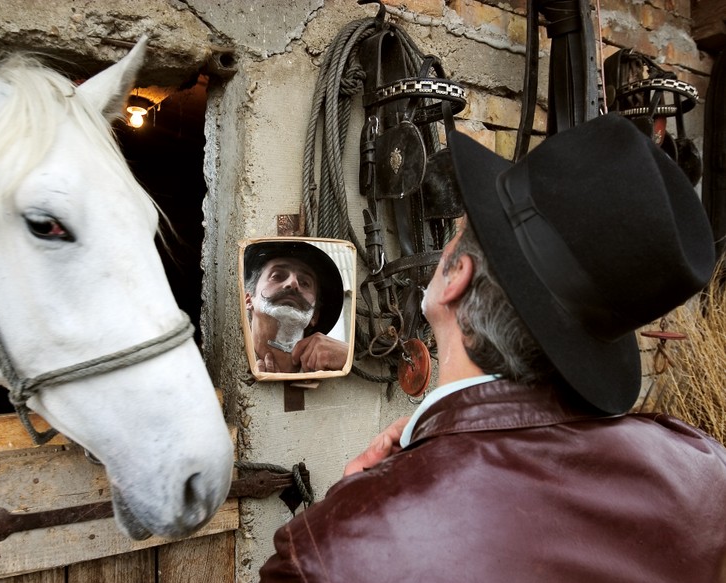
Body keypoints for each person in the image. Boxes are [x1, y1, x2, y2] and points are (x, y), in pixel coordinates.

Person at [259, 113, 726, 582]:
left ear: (456, 276)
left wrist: (355, 511)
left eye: (457, 231)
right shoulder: (707, 470)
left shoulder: (328, 553)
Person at [244, 241, 350, 373]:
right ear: (248, 299)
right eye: (277, 276)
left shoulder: (340, 366)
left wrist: (349, 356)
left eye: (305, 283)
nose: (293, 283)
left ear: (315, 315)